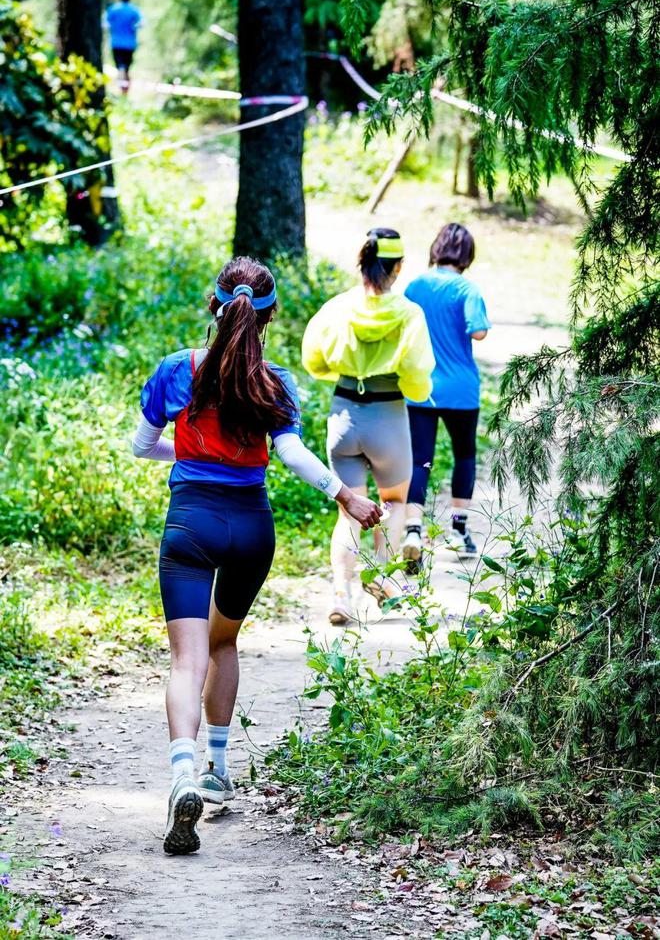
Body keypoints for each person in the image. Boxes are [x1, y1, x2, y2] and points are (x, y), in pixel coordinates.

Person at [132, 257, 381, 855]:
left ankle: (182, 773)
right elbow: (291, 453)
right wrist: (346, 496)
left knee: (187, 659)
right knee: (224, 643)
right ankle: (217, 770)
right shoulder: (275, 381)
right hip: (251, 528)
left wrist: (193, 452)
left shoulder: (178, 369)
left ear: (213, 306)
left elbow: (142, 446)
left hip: (190, 524)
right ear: (268, 317)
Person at [302, 229, 434, 625]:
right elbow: (417, 375)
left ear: (361, 262)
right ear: (398, 267)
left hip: (343, 414)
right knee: (393, 502)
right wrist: (415, 390)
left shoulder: (337, 308)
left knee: (348, 512)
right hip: (387, 414)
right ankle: (380, 576)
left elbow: (314, 360)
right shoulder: (408, 313)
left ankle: (340, 597)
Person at [401, 223, 490, 563]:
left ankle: (412, 529)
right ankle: (458, 530)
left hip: (421, 387)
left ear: (436, 249)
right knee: (464, 455)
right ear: (467, 255)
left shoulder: (415, 286)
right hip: (461, 389)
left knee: (419, 459)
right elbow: (479, 332)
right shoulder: (467, 289)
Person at [104, 0, 143, 94]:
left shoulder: (113, 9)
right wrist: (132, 27)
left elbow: (105, 24)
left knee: (120, 67)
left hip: (116, 43)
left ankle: (122, 91)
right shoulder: (134, 10)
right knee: (125, 68)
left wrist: (114, 27)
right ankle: (124, 92)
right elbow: (141, 23)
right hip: (130, 44)